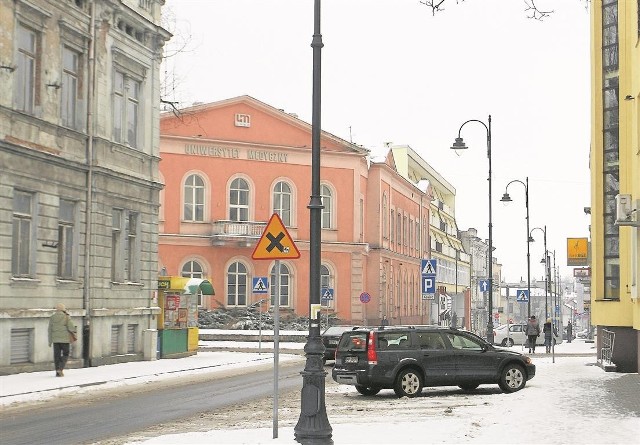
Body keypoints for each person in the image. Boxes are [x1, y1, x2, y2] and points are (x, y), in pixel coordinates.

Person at [48, 303, 76, 377]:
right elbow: (71, 328)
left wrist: (50, 341)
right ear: (63, 309)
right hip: (65, 340)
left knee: (56, 355)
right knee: (65, 354)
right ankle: (60, 369)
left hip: (55, 340)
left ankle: (57, 371)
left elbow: (49, 329)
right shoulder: (66, 317)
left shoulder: (52, 317)